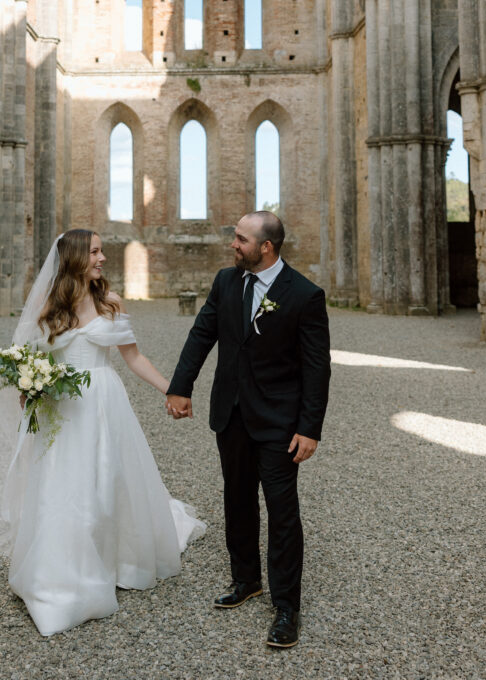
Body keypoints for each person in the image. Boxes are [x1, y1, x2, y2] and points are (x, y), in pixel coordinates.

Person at [0, 229, 205, 636]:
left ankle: (116, 557)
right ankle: (62, 568)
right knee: (63, 485)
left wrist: (173, 389)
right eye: (96, 252)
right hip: (62, 406)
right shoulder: (48, 307)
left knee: (107, 477)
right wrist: (29, 386)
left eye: (102, 252)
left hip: (103, 403)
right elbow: (28, 358)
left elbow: (134, 358)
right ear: (76, 258)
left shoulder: (110, 303)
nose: (103, 259)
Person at [166, 210, 330, 650]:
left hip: (279, 423)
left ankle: (287, 607)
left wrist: (309, 428)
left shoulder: (305, 295)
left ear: (266, 247)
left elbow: (317, 369)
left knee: (282, 512)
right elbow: (202, 334)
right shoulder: (227, 281)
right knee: (236, 499)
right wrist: (181, 386)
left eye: (240, 239)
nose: (233, 245)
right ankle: (246, 580)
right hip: (230, 415)